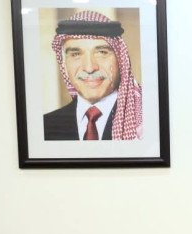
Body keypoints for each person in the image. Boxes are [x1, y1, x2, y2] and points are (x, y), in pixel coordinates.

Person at [43, 10, 143, 141]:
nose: (89, 68)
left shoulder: (144, 121)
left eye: (102, 52)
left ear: (121, 60)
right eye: (76, 54)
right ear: (64, 65)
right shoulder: (45, 126)